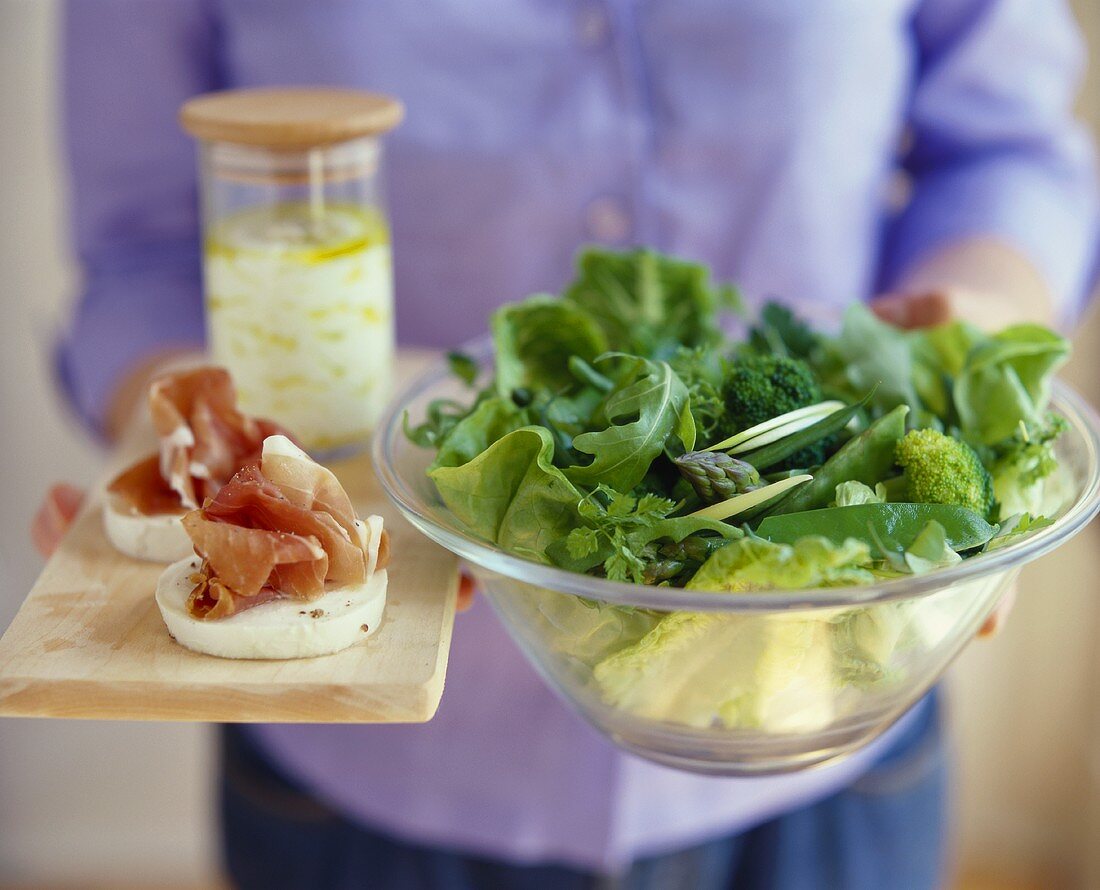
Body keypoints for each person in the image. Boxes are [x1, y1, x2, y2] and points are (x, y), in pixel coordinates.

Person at [34, 2, 1098, 888]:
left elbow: (1006, 146)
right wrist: (190, 457)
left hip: (827, 729)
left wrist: (965, 347)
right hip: (378, 762)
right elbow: (142, 252)